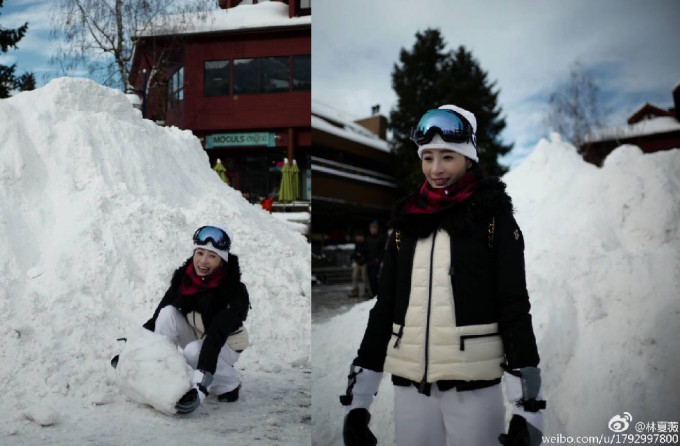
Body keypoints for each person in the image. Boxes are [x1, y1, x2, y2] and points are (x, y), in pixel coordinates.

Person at [340, 105, 545, 446]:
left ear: (469, 159)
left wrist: (529, 408)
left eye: (448, 157)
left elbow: (514, 309)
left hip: (474, 391)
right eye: (428, 157)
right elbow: (385, 306)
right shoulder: (406, 222)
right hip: (410, 390)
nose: (435, 169)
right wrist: (358, 402)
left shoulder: (493, 219)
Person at [143, 225, 250, 415]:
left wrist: (200, 387)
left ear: (221, 261)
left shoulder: (232, 291)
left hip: (227, 343)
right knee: (167, 313)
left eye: (212, 256)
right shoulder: (185, 280)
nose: (203, 261)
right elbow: (158, 316)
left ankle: (230, 382)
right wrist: (134, 347)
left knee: (193, 352)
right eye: (200, 253)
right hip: (200, 334)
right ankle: (159, 374)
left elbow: (215, 338)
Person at [364, 220, 386, 298]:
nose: (372, 230)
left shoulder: (381, 237)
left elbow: (382, 250)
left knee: (374, 277)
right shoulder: (368, 238)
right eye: (371, 228)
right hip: (369, 261)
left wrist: (379, 258)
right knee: (370, 278)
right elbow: (365, 249)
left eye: (373, 228)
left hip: (376, 260)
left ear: (376, 229)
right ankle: (373, 294)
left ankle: (377, 293)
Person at [348, 231, 370, 298]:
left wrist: (361, 255)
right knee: (354, 276)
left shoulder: (366, 243)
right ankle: (355, 290)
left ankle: (367, 291)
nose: (356, 238)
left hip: (364, 262)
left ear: (361, 237)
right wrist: (354, 256)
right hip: (358, 262)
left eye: (357, 237)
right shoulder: (357, 244)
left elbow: (367, 253)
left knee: (364, 278)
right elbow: (356, 253)